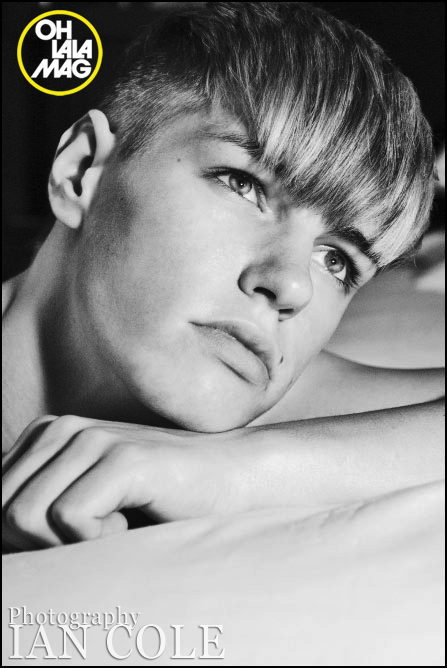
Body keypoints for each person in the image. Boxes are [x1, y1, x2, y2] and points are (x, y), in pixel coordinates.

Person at [2, 2, 444, 552]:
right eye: (243, 185)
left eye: (337, 261)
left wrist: (236, 471)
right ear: (80, 172)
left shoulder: (273, 398)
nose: (292, 286)